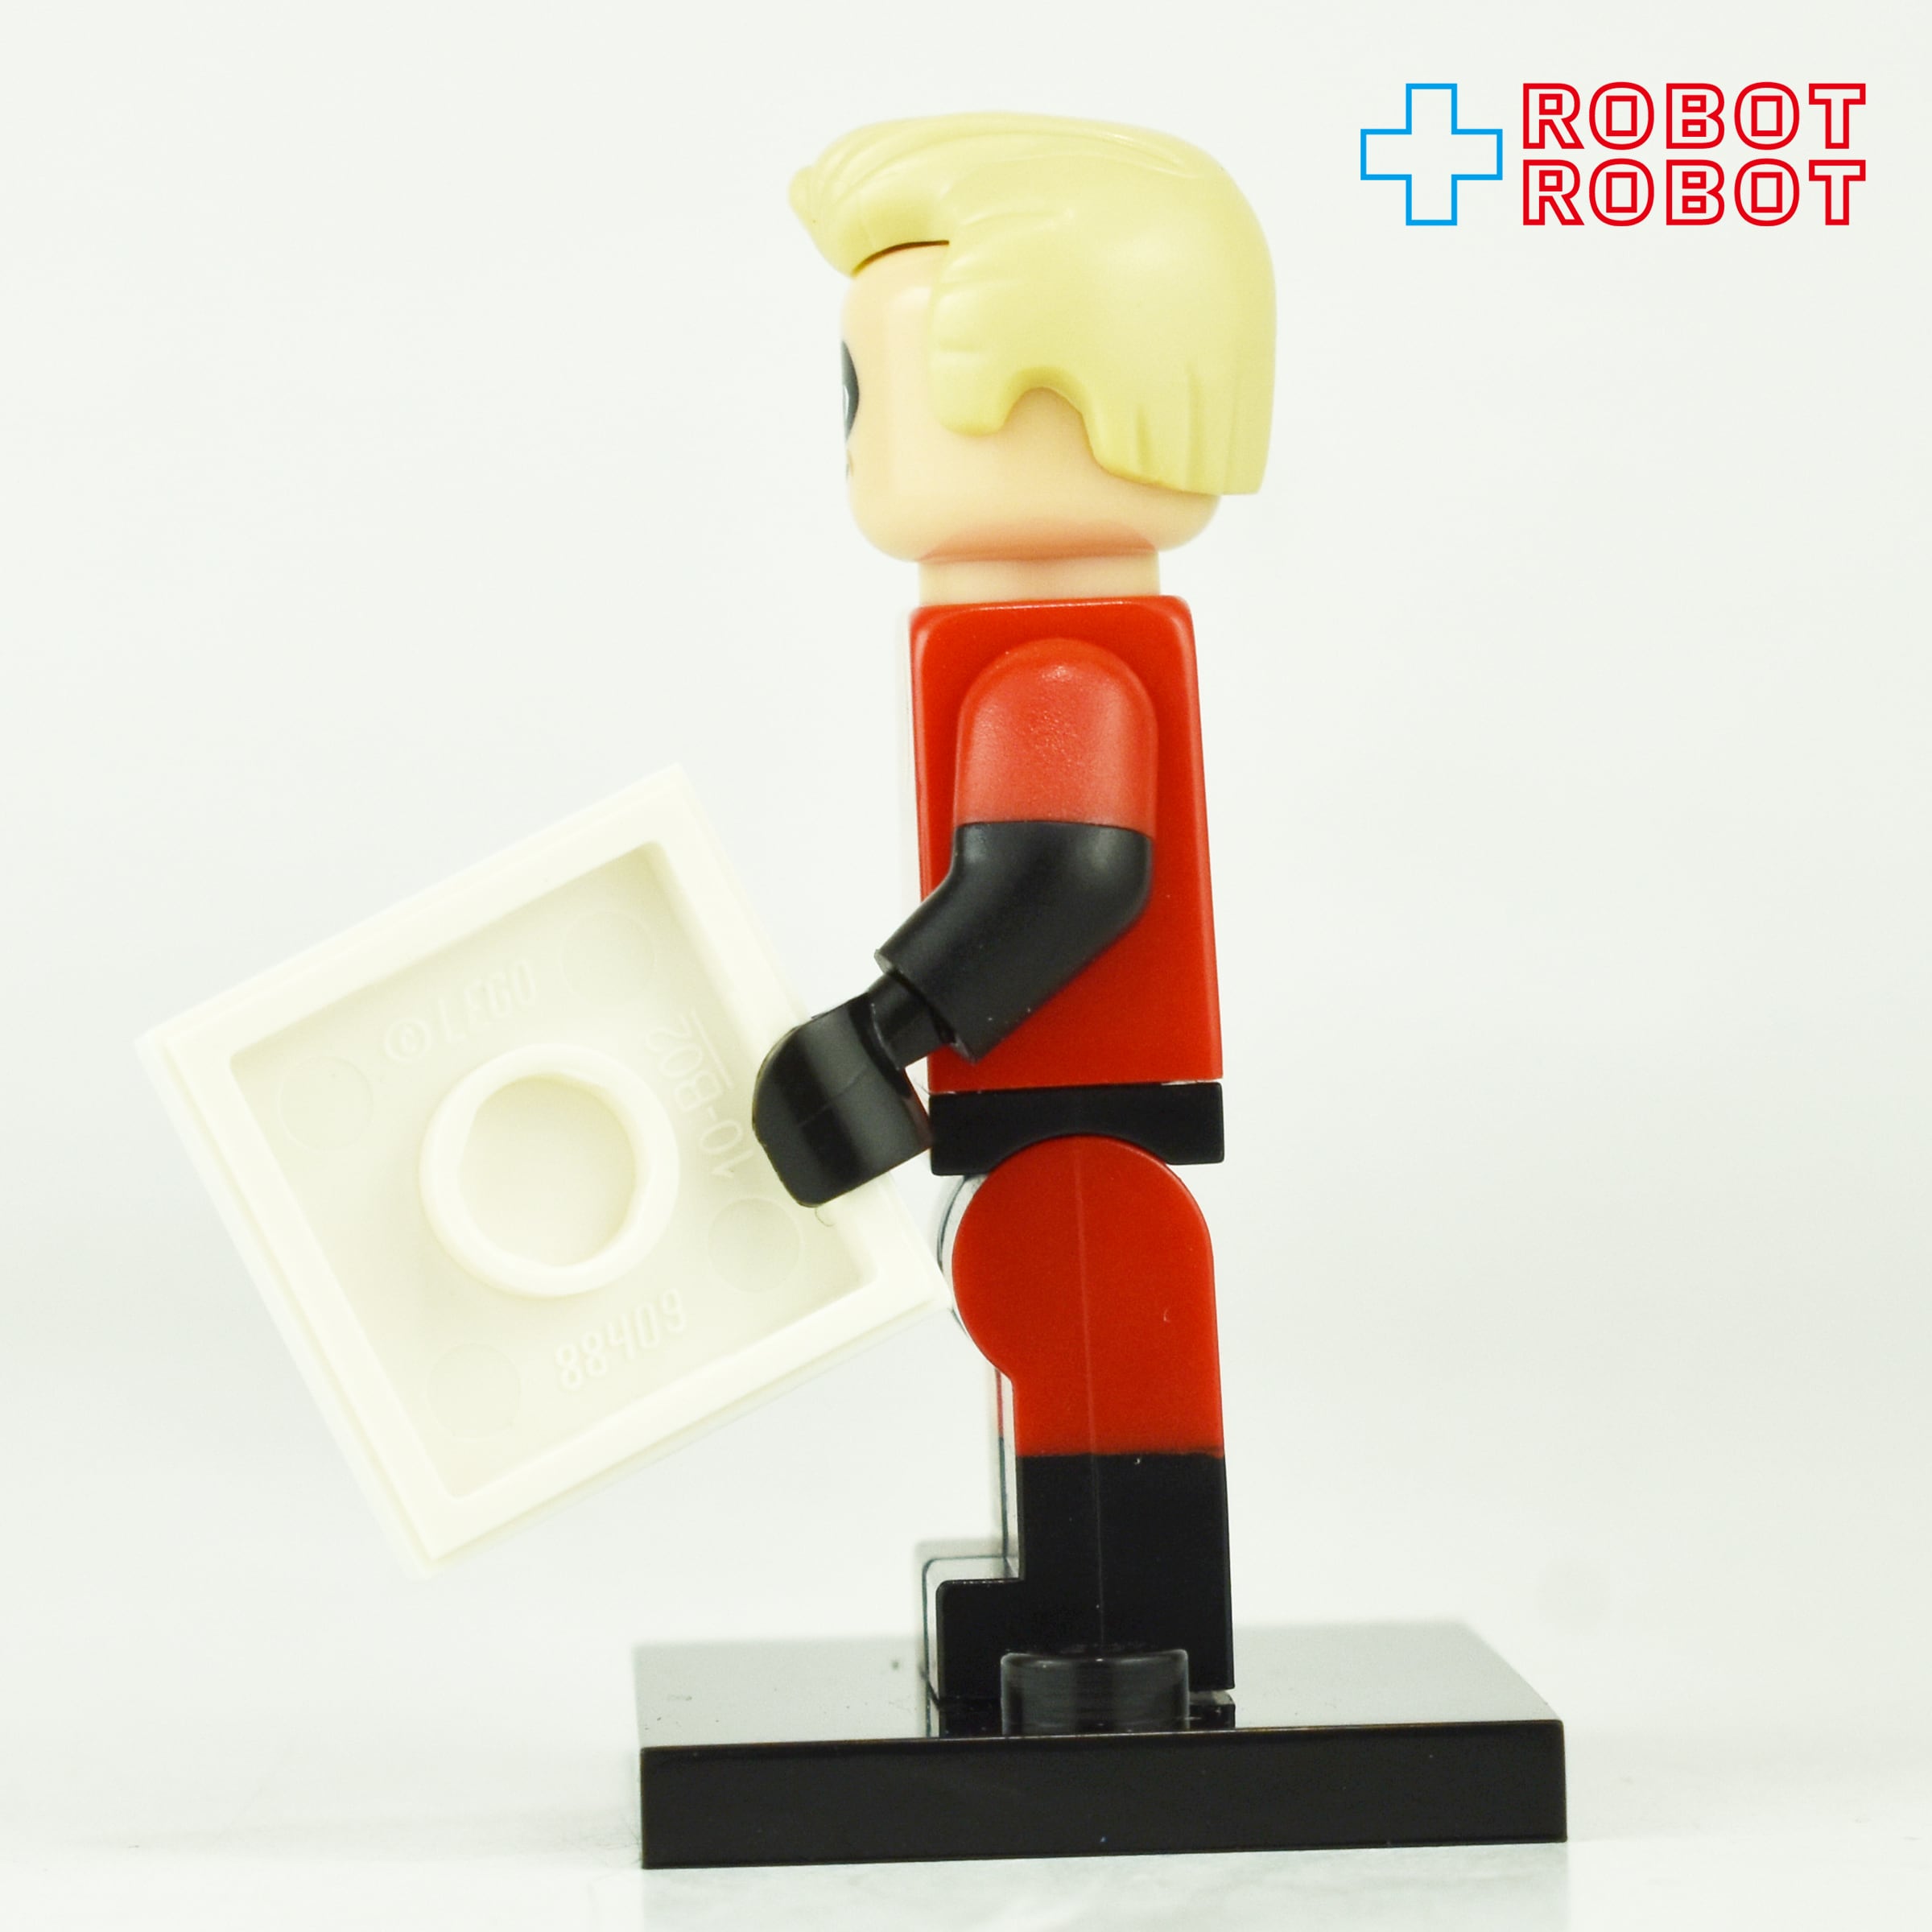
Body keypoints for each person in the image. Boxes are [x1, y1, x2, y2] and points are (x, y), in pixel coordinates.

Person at [754, 113, 1275, 1716]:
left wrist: (886, 1026)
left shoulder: (1059, 663)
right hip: (1051, 1076)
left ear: (1049, 382)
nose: (855, 435)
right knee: (1052, 1306)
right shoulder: (1014, 645)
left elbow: (1065, 876)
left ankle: (1116, 1633)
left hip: (1082, 1080)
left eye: (870, 391)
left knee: (1080, 1311)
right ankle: (1072, 1600)